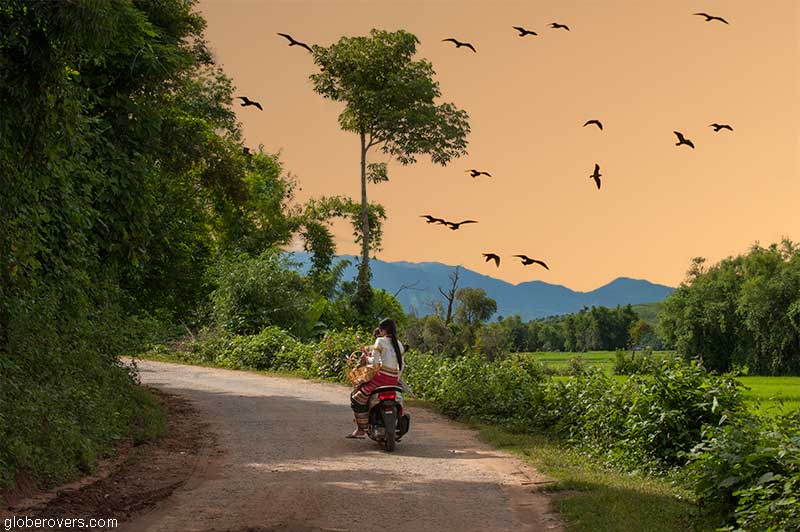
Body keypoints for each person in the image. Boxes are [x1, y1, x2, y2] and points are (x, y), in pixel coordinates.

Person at [346, 318, 404, 439]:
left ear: (383, 330)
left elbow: (375, 364)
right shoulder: (399, 344)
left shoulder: (380, 341)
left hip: (380, 379)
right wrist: (395, 377)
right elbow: (401, 366)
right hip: (393, 380)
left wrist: (367, 358)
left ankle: (361, 429)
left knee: (357, 396)